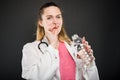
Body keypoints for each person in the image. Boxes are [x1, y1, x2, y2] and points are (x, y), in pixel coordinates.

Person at [21, 2, 99, 80]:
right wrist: (53, 46)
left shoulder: (73, 47)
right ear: (41, 22)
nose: (55, 22)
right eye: (49, 18)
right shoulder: (30, 48)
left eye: (58, 17)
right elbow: (34, 77)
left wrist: (89, 63)